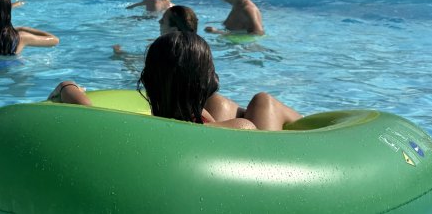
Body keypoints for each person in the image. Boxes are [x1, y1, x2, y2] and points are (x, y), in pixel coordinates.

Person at [50, 32, 300, 130]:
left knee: (219, 105)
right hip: (265, 155)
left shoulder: (129, 126)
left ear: (147, 81)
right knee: (263, 100)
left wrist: (66, 86)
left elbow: (76, 98)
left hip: (188, 118)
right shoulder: (241, 128)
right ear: (209, 81)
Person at [112, 4, 199, 54]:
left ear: (174, 31)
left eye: (163, 21)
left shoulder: (164, 52)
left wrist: (120, 54)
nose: (159, 22)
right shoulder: (198, 47)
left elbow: (136, 67)